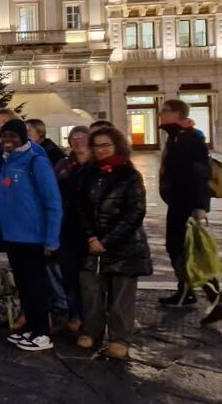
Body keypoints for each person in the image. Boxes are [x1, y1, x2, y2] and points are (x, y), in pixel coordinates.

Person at [74, 126, 151, 359]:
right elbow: (80, 208)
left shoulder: (129, 175)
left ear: (117, 145)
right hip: (92, 243)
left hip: (124, 245)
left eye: (106, 145)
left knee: (121, 295)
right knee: (91, 291)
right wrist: (90, 236)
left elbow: (135, 212)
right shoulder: (87, 173)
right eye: (97, 146)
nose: (101, 150)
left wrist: (106, 241)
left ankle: (119, 338)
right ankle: (92, 331)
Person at [0, 119, 63, 352]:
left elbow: (53, 201)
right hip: (14, 235)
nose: (8, 139)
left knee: (36, 285)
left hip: (33, 236)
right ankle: (31, 328)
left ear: (23, 137)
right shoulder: (7, 160)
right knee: (24, 285)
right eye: (5, 135)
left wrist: (52, 238)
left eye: (13, 135)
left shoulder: (36, 161)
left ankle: (42, 332)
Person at [158, 99, 211, 308]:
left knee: (183, 248)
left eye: (165, 110)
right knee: (181, 247)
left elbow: (200, 173)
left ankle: (195, 292)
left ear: (177, 114)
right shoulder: (176, 136)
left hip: (187, 202)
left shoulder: (190, 138)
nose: (161, 113)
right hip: (178, 200)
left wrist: (200, 206)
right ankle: (189, 290)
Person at [52, 126, 91, 334]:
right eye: (74, 138)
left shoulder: (98, 165)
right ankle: (74, 315)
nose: (78, 141)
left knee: (89, 279)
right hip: (67, 227)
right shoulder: (64, 165)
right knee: (68, 276)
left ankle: (91, 319)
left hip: (90, 229)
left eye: (82, 137)